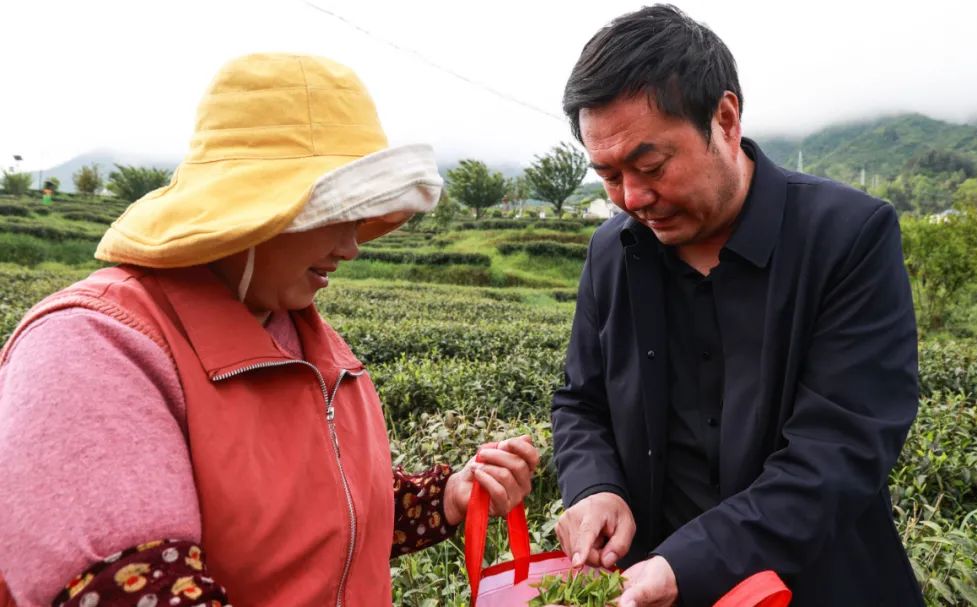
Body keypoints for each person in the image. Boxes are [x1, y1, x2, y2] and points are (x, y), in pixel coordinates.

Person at [0, 53, 539, 607]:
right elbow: (126, 585)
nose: (353, 246)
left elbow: (326, 518)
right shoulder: (96, 347)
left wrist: (446, 497)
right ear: (255, 211)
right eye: (337, 215)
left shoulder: (311, 341)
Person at [550, 6, 922, 606]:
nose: (633, 198)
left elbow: (840, 451)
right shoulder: (613, 251)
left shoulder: (847, 237)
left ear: (724, 118)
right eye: (609, 175)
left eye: (650, 166)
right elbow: (581, 399)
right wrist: (594, 486)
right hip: (650, 587)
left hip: (816, 586)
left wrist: (688, 562)